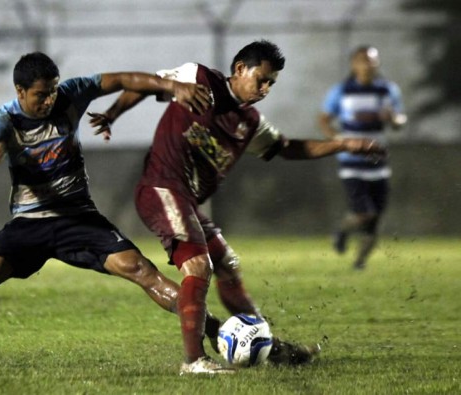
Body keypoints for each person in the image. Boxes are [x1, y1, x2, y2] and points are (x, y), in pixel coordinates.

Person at [89, 40, 385, 371]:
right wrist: (113, 114)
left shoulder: (250, 123)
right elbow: (147, 85)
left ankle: (268, 347)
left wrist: (344, 144)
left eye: (272, 83)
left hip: (185, 200)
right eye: (262, 79)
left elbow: (286, 147)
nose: (266, 88)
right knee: (199, 266)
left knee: (227, 264)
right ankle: (194, 361)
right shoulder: (199, 78)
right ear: (240, 68)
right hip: (161, 188)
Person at [0, 51, 232, 375]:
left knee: (141, 270)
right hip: (29, 223)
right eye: (41, 95)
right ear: (20, 92)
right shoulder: (4, 121)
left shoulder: (71, 95)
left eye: (53, 91)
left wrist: (172, 86)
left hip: (79, 218)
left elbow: (124, 80)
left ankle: (213, 330)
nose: (49, 100)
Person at [319, 45, 406, 269]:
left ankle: (360, 263)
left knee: (376, 217)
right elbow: (324, 120)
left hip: (378, 163)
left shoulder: (387, 90)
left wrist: (394, 119)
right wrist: (341, 140)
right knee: (364, 212)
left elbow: (399, 121)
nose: (367, 64)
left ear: (377, 63)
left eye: (371, 60)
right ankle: (342, 231)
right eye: (362, 60)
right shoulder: (342, 91)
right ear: (353, 64)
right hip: (352, 164)